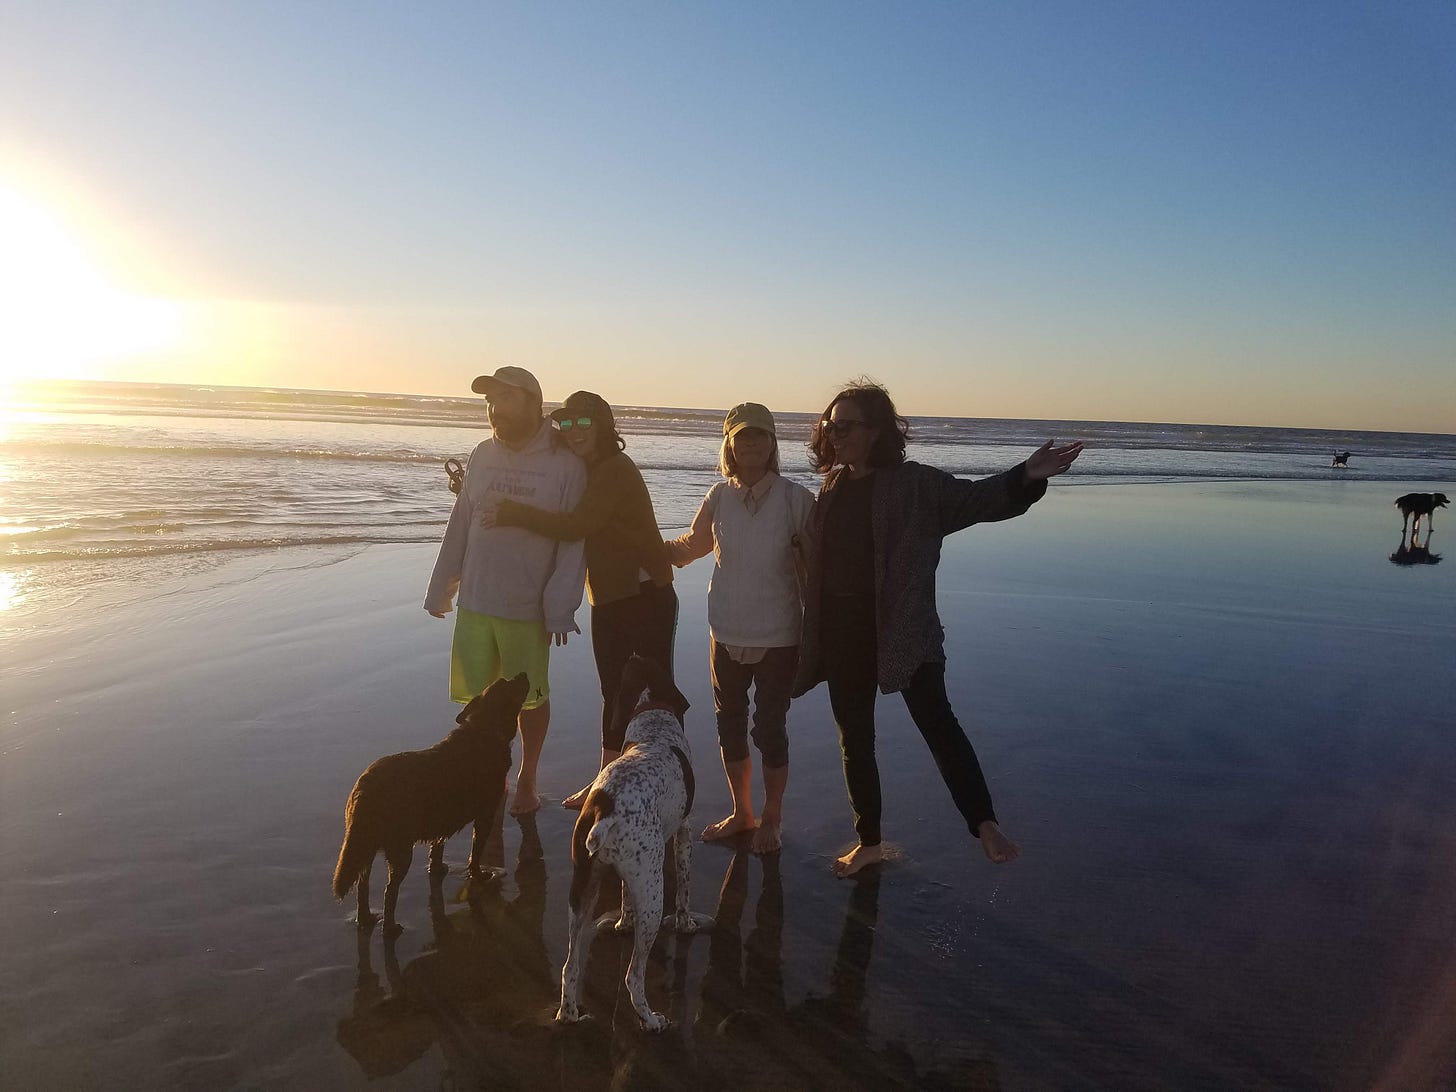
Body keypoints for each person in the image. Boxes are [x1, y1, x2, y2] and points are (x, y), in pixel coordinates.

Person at [792, 381, 1083, 877]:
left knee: (938, 724)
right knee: (854, 740)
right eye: (830, 425)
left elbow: (976, 500)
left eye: (846, 426)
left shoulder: (915, 485)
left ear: (878, 430)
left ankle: (984, 823)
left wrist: (1027, 476)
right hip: (842, 632)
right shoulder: (832, 487)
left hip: (903, 628)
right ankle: (868, 842)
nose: (834, 434)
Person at [483, 391, 677, 809]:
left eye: (583, 423)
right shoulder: (583, 470)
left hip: (646, 595)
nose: (574, 432)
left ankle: (662, 780)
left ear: (605, 427)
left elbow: (576, 526)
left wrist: (512, 511)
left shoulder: (614, 469)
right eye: (566, 424)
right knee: (614, 691)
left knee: (652, 694)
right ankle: (607, 780)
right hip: (609, 596)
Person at [424, 366, 587, 817]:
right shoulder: (481, 453)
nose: (496, 409)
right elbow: (462, 522)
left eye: (507, 399)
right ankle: (487, 776)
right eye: (491, 401)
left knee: (530, 697)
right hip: (477, 601)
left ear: (534, 403)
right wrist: (442, 586)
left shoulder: (564, 464)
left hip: (527, 607)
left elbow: (573, 540)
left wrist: (560, 606)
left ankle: (528, 776)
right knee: (478, 699)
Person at [666, 403, 813, 854]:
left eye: (760, 436)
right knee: (728, 722)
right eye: (741, 437)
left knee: (769, 727)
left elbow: (821, 564)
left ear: (773, 444)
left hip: (780, 634)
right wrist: (635, 545)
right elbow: (691, 547)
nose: (750, 443)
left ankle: (772, 817)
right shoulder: (718, 495)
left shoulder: (797, 499)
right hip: (725, 631)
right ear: (729, 444)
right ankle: (741, 811)